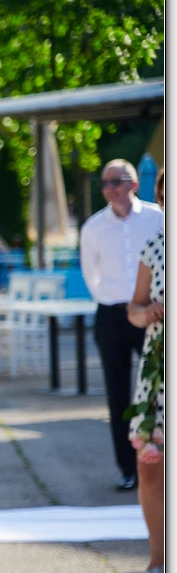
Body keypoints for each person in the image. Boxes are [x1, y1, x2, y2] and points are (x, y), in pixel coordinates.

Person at [80, 159, 164, 491]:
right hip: (112, 315)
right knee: (118, 395)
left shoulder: (157, 218)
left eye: (116, 181)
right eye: (105, 183)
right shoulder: (93, 227)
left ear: (134, 184)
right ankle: (129, 469)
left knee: (159, 390)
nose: (110, 189)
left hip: (153, 316)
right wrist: (113, 299)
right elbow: (91, 274)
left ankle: (161, 458)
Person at [125, 166, 164, 573]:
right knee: (150, 469)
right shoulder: (155, 245)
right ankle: (158, 564)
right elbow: (133, 310)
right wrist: (148, 311)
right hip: (158, 371)